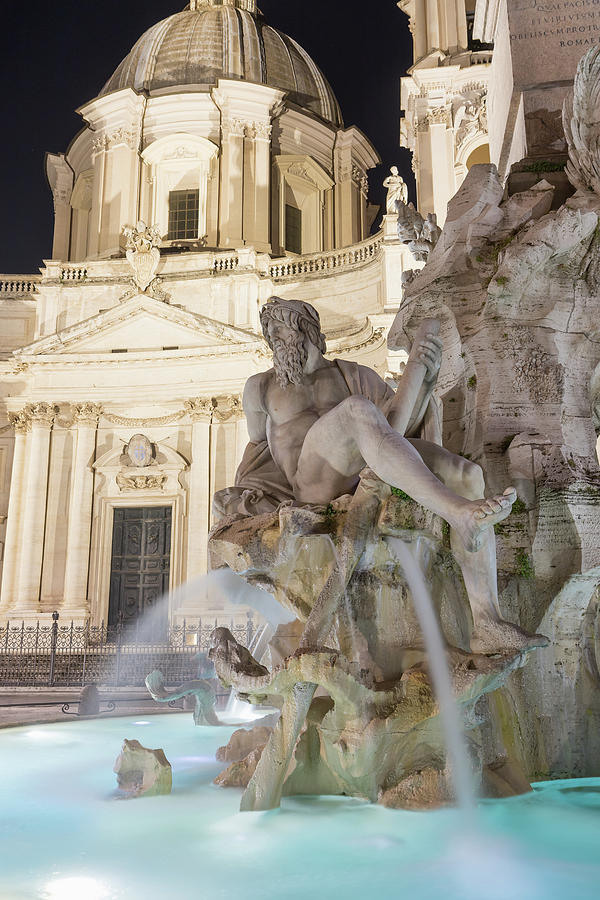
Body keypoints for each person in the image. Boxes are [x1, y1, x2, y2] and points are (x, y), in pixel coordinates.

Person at [216, 297, 545, 653]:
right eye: (269, 333)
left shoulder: (351, 375)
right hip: (311, 482)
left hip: (367, 467)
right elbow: (255, 448)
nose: (273, 339)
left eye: (280, 328)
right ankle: (456, 512)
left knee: (467, 474)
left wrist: (424, 380)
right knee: (357, 410)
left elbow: (397, 426)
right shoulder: (261, 387)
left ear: (306, 328)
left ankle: (486, 621)